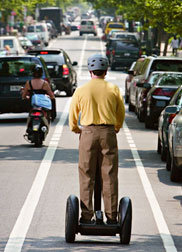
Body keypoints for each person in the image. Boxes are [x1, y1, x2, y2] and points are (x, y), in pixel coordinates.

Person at [69, 54, 125, 224]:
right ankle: (112, 216)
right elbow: (120, 113)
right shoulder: (113, 89)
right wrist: (116, 127)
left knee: (87, 174)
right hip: (108, 133)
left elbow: (73, 116)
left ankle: (86, 216)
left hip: (88, 133)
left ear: (90, 70)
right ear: (106, 71)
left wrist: (77, 129)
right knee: (109, 174)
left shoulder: (81, 90)